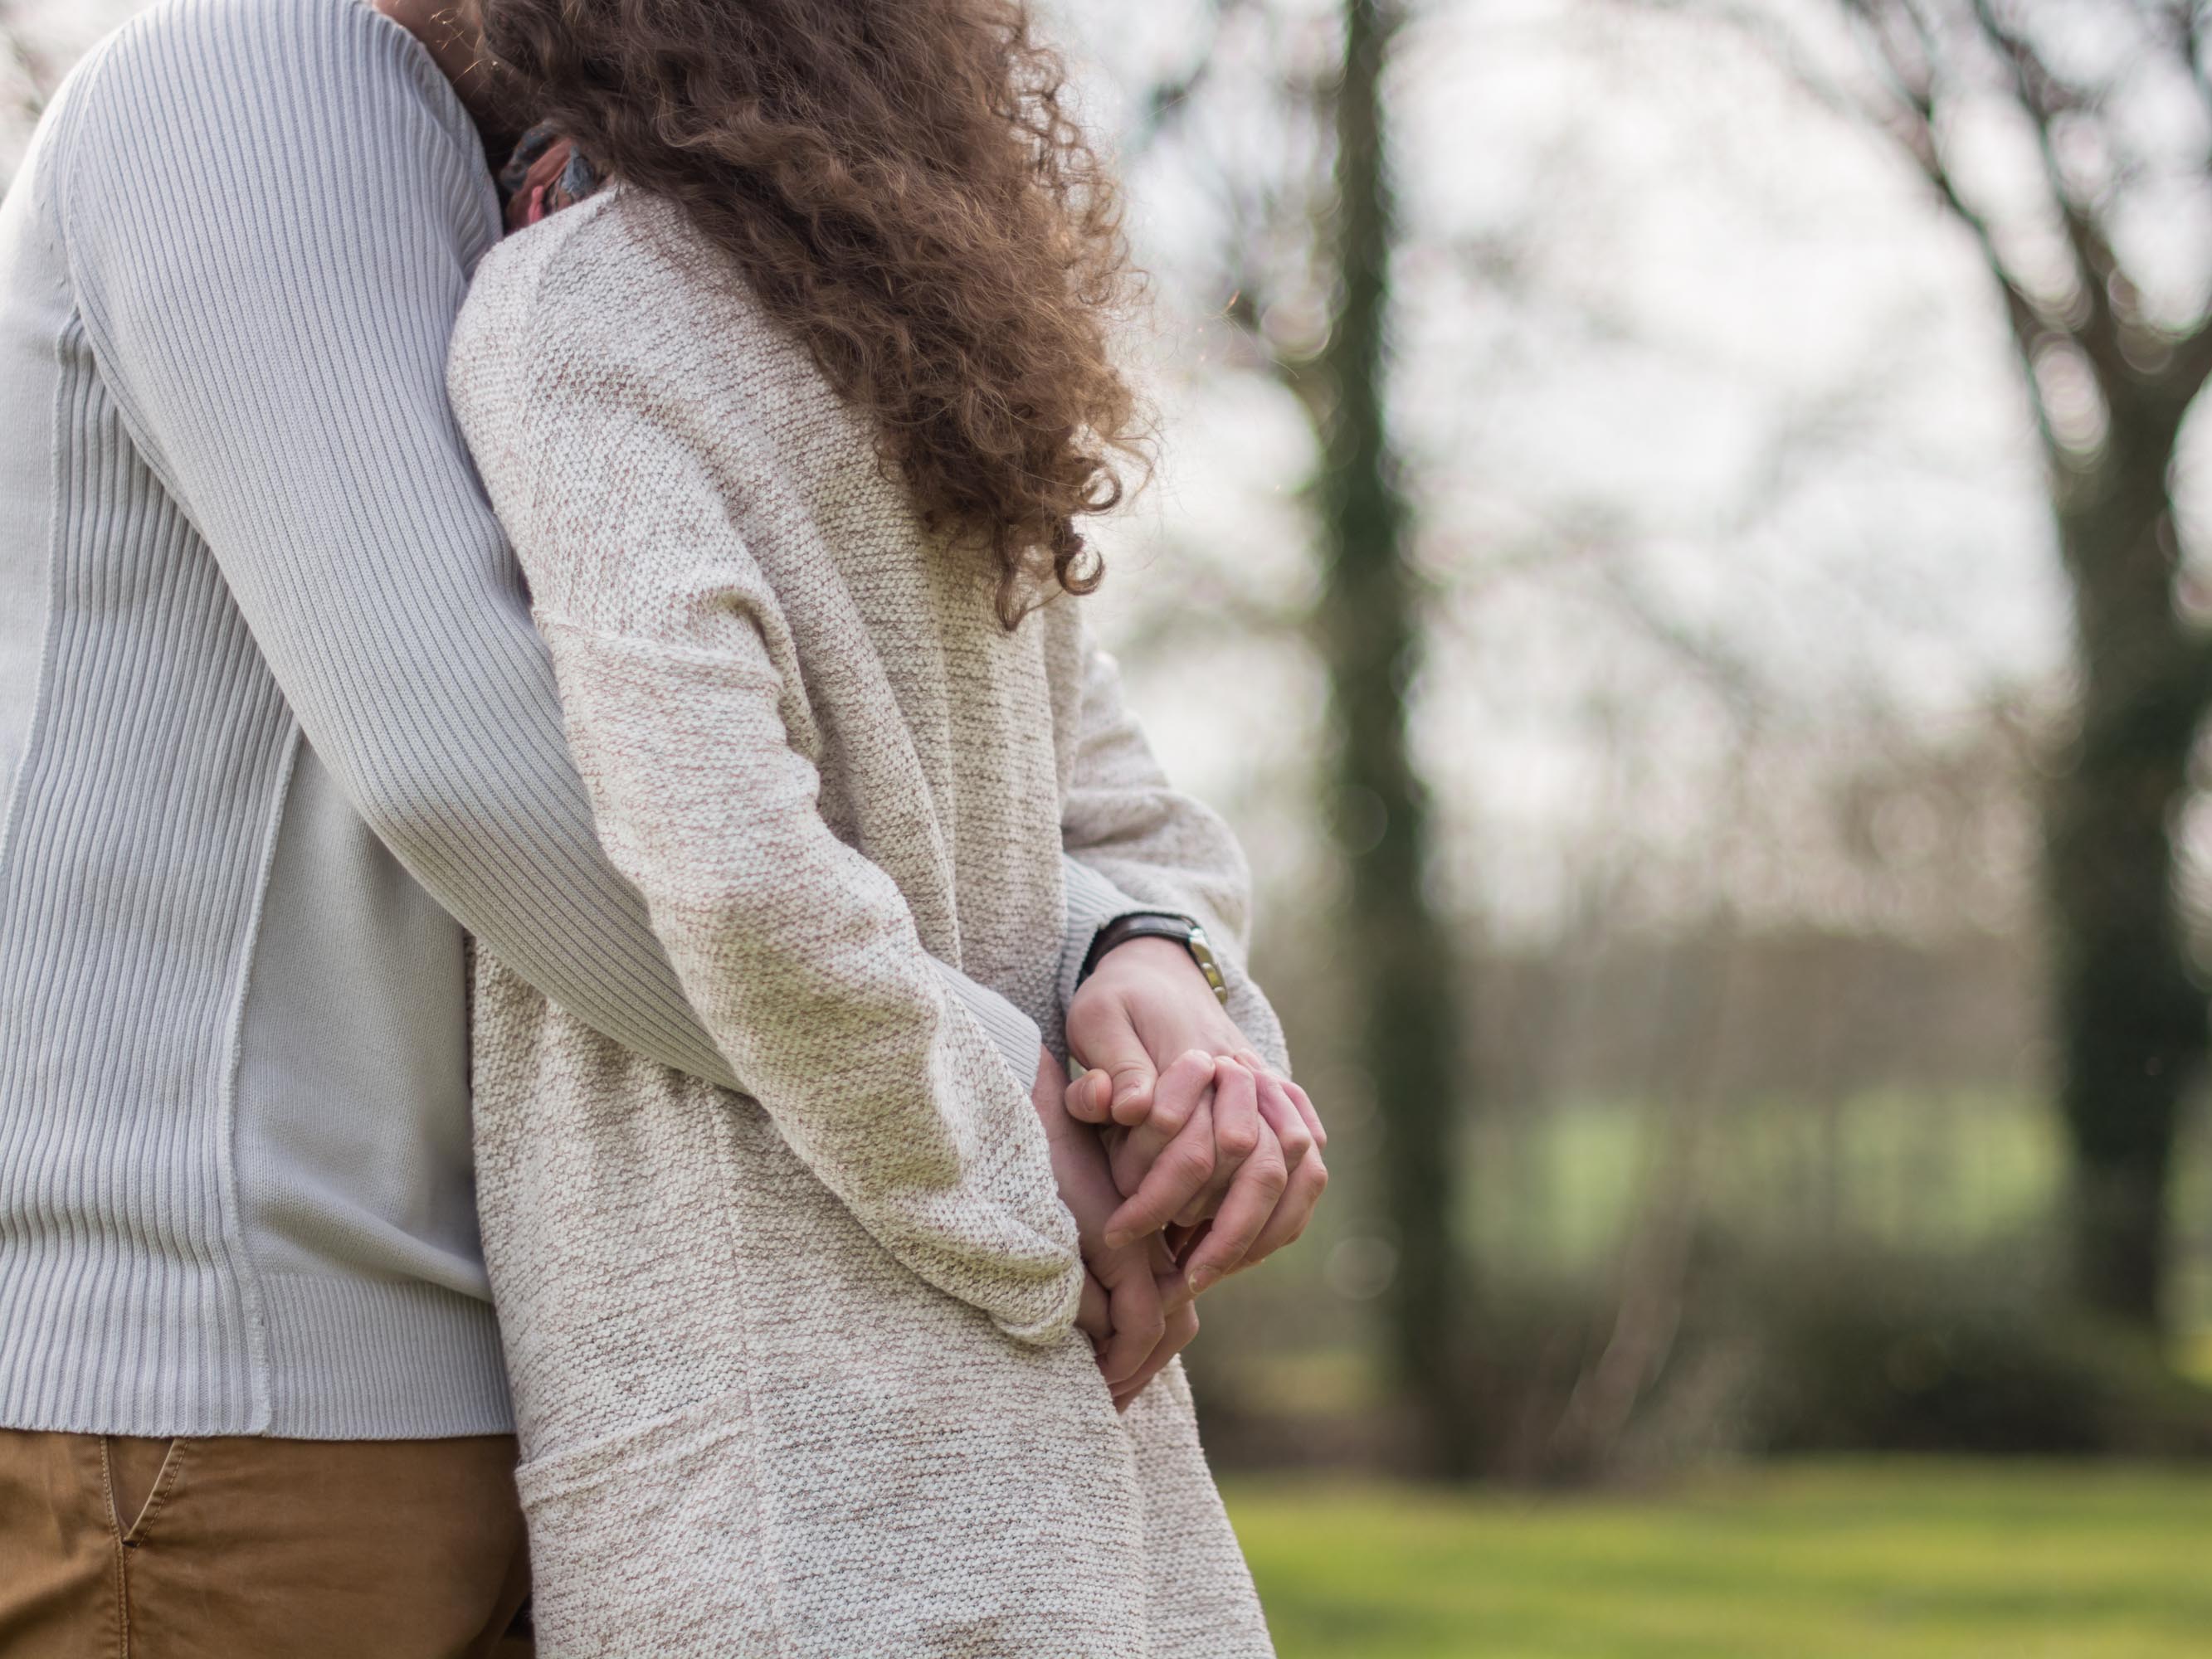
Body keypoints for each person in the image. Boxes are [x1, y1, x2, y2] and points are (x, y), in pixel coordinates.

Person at [0, 0, 1323, 1652]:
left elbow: (994, 748)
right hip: (242, 1383)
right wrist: (1015, 1118)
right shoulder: (256, 82)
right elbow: (484, 759)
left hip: (545, 1377)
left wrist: (1149, 949)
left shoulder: (676, 237)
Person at [446, 0, 1318, 1644]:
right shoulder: (916, 327)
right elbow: (1140, 824)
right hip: (1055, 1414)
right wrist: (1154, 971)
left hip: (791, 1470)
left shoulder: (578, 315)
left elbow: (740, 874)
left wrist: (1033, 1173)